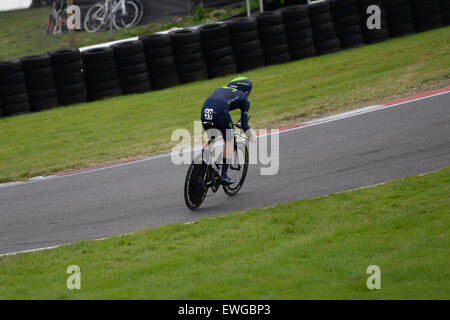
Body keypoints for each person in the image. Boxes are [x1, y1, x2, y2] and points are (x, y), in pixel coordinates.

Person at [201, 76, 256, 185]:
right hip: (220, 112)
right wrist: (252, 137)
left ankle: (203, 167)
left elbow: (220, 104)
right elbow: (244, 125)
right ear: (246, 90)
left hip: (204, 111)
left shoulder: (222, 89)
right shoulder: (244, 99)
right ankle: (223, 176)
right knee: (230, 140)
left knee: (211, 137)